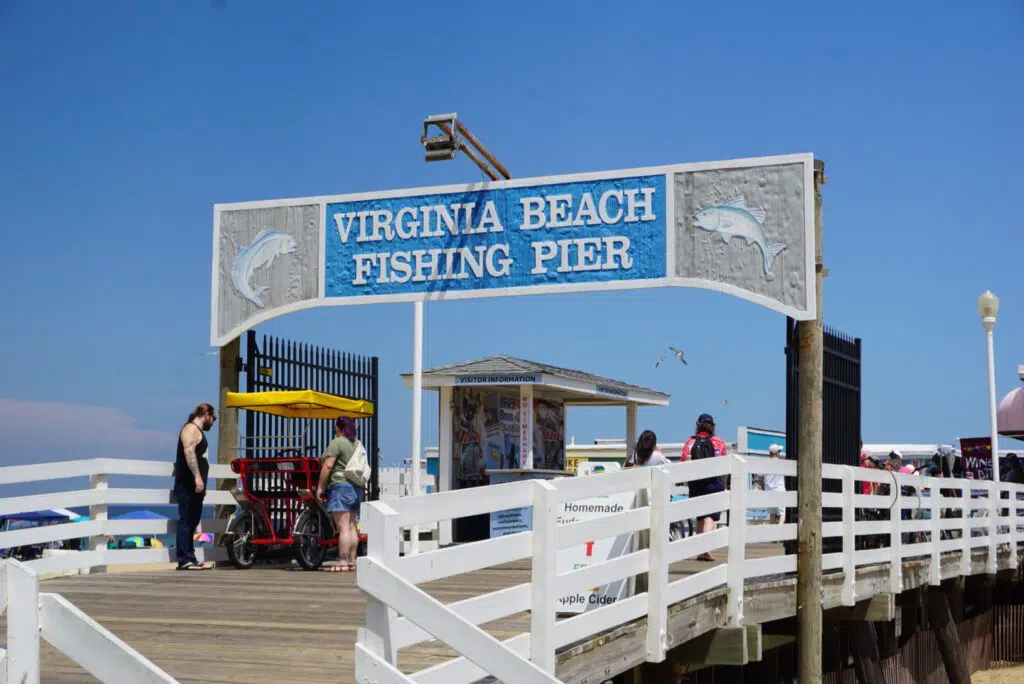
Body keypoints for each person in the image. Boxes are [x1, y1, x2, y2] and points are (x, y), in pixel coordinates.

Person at [316, 416, 363, 572]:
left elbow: (328, 465)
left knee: (342, 527)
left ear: (339, 428)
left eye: (335, 427)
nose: (334, 430)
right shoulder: (356, 444)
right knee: (351, 526)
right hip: (355, 488)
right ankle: (352, 561)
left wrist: (320, 487)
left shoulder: (337, 442)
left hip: (340, 487)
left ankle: (342, 561)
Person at [681, 413, 730, 560]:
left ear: (697, 425)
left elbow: (684, 462)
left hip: (696, 482)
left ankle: (700, 549)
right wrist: (724, 484)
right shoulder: (719, 442)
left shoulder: (690, 442)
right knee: (710, 516)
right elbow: (724, 465)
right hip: (713, 481)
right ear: (712, 426)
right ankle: (705, 548)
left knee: (700, 516)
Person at [174, 402, 216, 571]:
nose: (213, 422)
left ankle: (191, 557)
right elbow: (188, 452)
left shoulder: (197, 431)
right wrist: (197, 477)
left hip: (196, 487)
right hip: (188, 485)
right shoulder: (190, 429)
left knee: (192, 521)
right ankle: (184, 560)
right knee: (186, 520)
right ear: (206, 414)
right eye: (214, 417)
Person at [763, 444, 787, 524]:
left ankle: (773, 534)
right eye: (779, 451)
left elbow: (760, 478)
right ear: (776, 453)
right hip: (780, 491)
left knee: (772, 514)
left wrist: (764, 488)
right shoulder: (782, 463)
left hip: (769, 491)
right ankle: (780, 534)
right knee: (782, 514)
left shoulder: (764, 464)